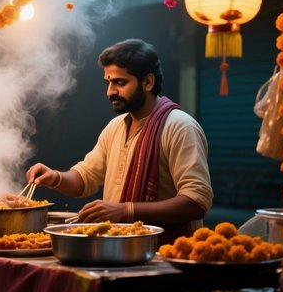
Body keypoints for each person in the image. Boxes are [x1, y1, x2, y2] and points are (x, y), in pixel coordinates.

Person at [26, 39, 213, 245]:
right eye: (108, 82)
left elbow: (197, 201)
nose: (110, 91)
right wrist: (54, 177)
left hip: (165, 254)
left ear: (148, 82)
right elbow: (86, 177)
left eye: (120, 82)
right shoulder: (115, 127)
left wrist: (126, 210)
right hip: (119, 249)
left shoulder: (180, 126)